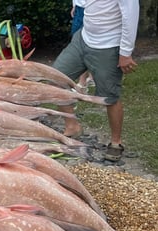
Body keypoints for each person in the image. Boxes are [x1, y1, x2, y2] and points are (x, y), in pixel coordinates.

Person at [53, 0, 140, 161]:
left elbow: (131, 16)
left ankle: (116, 143)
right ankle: (72, 126)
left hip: (108, 45)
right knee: (56, 78)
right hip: (83, 38)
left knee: (109, 97)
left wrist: (125, 53)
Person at [70, 0, 93, 91]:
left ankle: (82, 83)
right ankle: (91, 78)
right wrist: (75, 4)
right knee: (80, 42)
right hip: (80, 8)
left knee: (83, 43)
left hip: (91, 9)